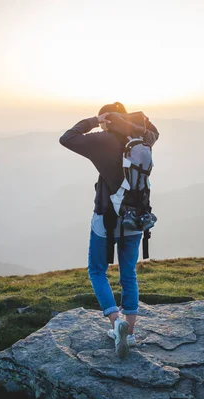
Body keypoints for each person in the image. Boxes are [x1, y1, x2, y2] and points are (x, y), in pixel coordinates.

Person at [59, 102, 160, 358]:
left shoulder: (102, 140)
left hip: (106, 219)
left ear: (108, 120)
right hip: (137, 219)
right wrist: (138, 121)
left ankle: (116, 324)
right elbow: (156, 131)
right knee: (129, 274)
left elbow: (67, 138)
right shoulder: (142, 139)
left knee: (97, 270)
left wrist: (95, 120)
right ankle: (132, 332)